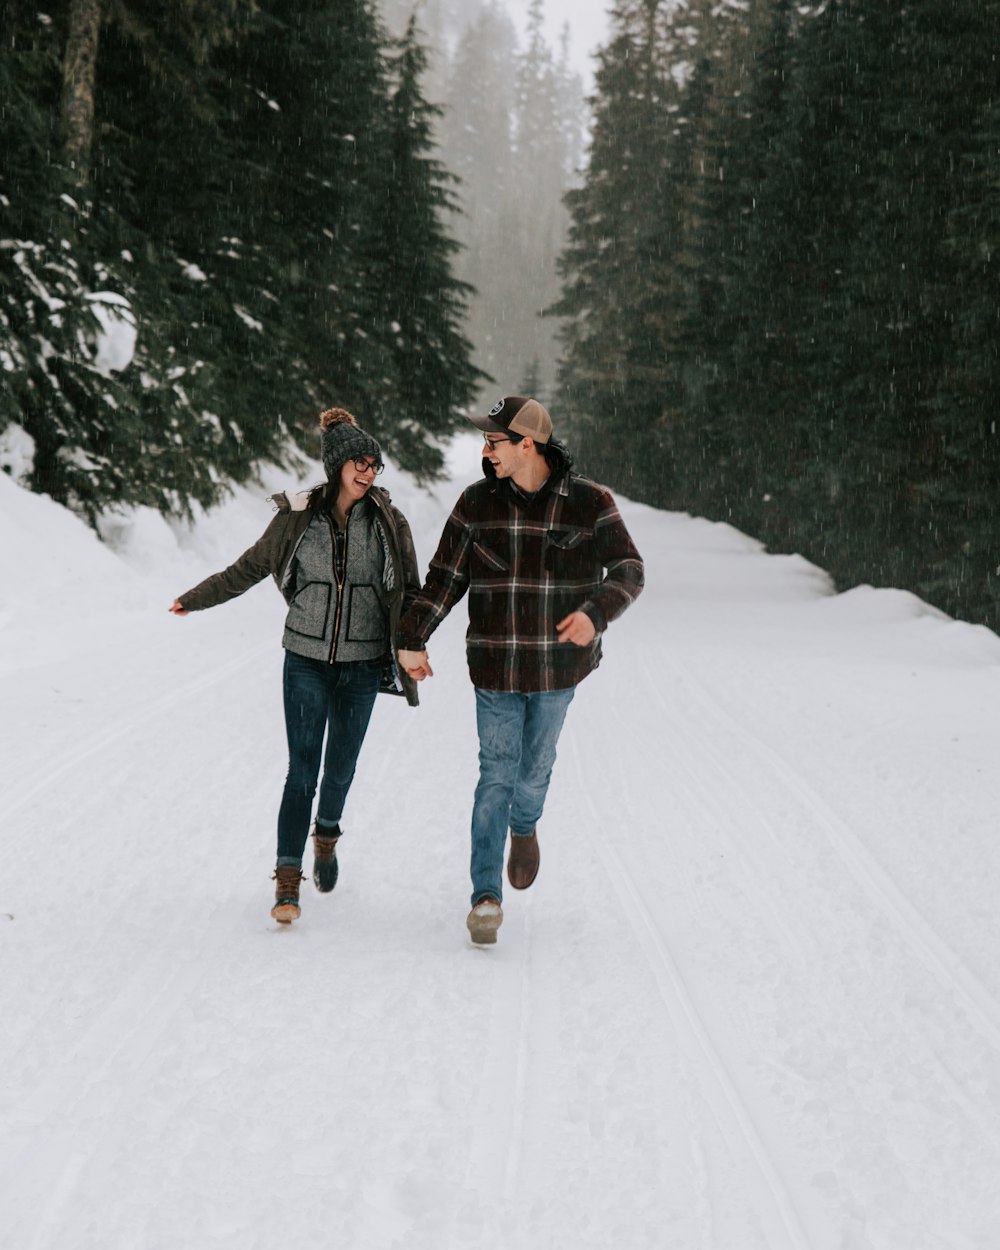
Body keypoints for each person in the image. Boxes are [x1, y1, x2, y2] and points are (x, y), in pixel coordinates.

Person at [396, 395, 644, 945]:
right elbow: (443, 579)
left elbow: (630, 568)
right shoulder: (476, 503)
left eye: (494, 441)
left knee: (535, 770)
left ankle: (525, 827)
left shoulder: (590, 503)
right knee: (495, 776)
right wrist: (411, 639)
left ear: (527, 444)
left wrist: (596, 612)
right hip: (496, 668)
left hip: (559, 670)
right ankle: (485, 896)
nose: (486, 451)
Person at [171, 408, 421, 924]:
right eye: (360, 461)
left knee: (340, 770)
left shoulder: (388, 522)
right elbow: (248, 568)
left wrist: (411, 646)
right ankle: (288, 882)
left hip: (361, 665)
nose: (369, 471)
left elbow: (410, 591)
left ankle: (326, 836)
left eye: (375, 463)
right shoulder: (296, 519)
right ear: (335, 464)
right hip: (304, 659)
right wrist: (195, 599)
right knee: (301, 771)